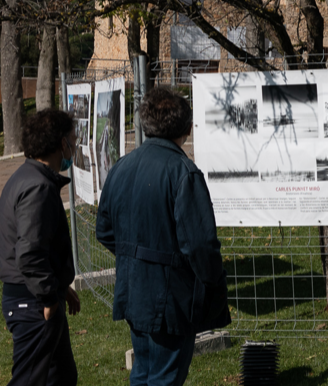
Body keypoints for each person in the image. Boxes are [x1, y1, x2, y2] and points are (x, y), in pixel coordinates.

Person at [96, 87, 230, 386]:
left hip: (134, 290)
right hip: (169, 299)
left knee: (144, 373)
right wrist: (212, 282)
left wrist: (136, 256)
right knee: (162, 377)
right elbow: (201, 246)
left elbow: (104, 230)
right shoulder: (183, 173)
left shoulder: (121, 167)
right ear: (187, 128)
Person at [0, 110, 80, 386]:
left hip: (35, 297)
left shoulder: (28, 177)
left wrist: (60, 287)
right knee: (30, 380)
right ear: (61, 143)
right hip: (32, 302)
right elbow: (29, 254)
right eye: (73, 139)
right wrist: (48, 297)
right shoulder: (38, 187)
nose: (75, 144)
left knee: (61, 377)